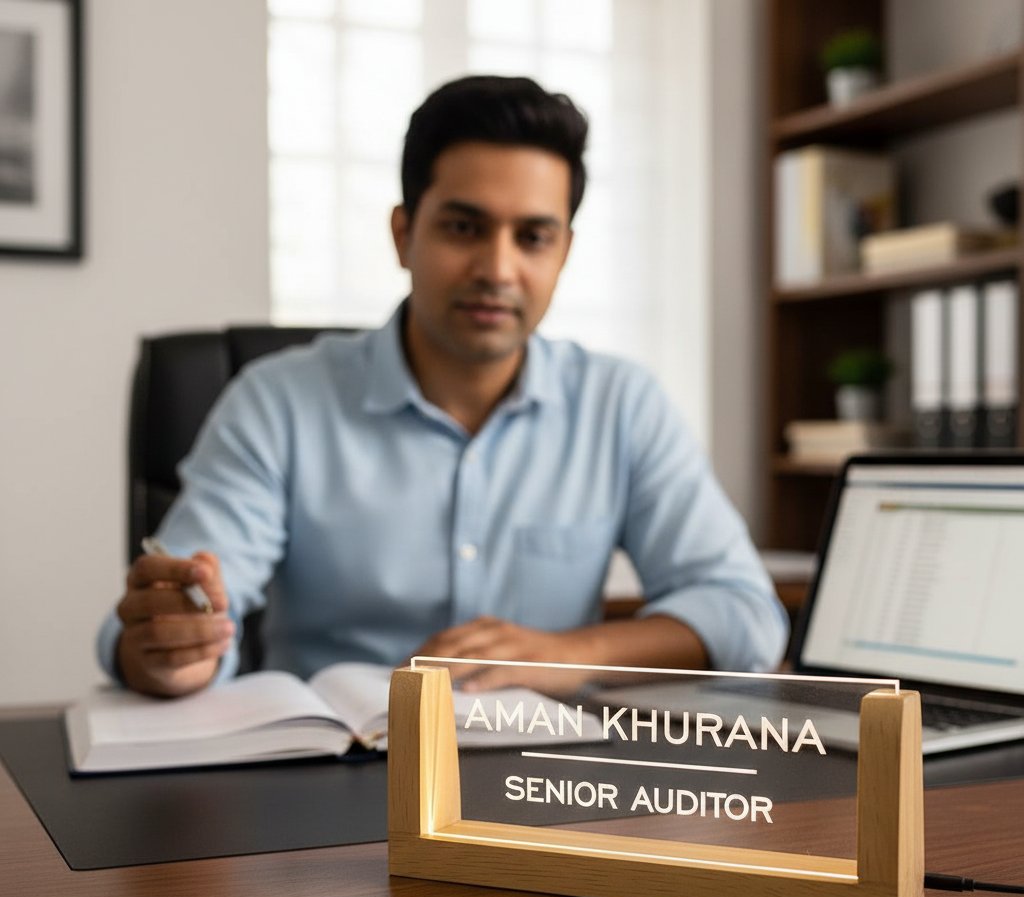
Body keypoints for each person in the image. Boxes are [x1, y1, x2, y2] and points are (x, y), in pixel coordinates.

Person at [97, 75, 787, 698]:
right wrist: (169, 652)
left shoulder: (621, 405)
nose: (498, 268)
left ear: (564, 254)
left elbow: (745, 613)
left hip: (545, 779)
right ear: (404, 235)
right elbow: (180, 614)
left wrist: (567, 654)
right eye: (464, 227)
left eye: (533, 237)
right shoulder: (277, 402)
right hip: (328, 784)